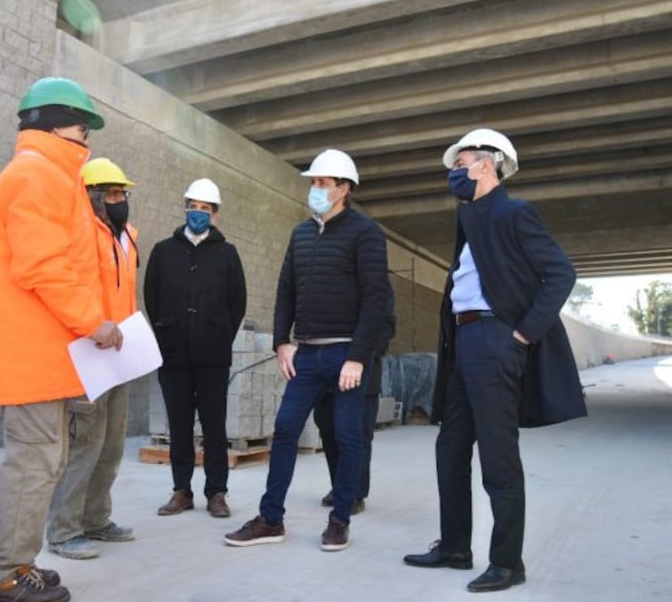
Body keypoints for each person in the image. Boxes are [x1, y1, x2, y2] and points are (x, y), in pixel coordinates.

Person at [403, 128, 586, 593]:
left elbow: (561, 273)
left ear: (487, 164)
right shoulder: (469, 219)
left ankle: (507, 562)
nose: (453, 174)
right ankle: (455, 546)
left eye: (460, 163)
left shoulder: (513, 212)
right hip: (463, 342)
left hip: (495, 338)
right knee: (450, 448)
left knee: (498, 456)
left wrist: (523, 332)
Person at [0, 77, 122, 602]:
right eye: (82, 127)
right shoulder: (37, 175)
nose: (87, 139)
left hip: (44, 352)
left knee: (41, 461)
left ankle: (4, 558)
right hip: (30, 351)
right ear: (53, 122)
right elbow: (45, 266)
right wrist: (92, 322)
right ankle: (2, 577)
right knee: (35, 463)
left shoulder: (52, 176)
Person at [224, 148, 389, 552]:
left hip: (345, 353)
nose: (314, 189)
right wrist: (282, 341)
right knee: (285, 430)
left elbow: (376, 299)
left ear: (343, 189)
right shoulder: (300, 233)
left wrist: (358, 356)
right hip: (308, 354)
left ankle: (340, 519)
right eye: (312, 182)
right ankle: (271, 519)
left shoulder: (365, 233)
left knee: (349, 436)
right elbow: (286, 290)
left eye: (322, 183)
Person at [46, 158, 139, 560]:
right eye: (113, 194)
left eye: (123, 194)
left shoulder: (128, 237)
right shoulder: (78, 235)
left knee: (112, 445)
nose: (120, 202)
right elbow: (68, 291)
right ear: (92, 197)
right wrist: (90, 328)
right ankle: (65, 531)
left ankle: (96, 520)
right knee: (85, 443)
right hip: (86, 354)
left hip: (119, 354)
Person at [145, 178, 247, 518]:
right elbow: (152, 298)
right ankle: (182, 491)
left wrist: (218, 335)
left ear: (215, 215)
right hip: (173, 354)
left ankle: (216, 492)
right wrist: (166, 333)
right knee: (179, 425)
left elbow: (237, 303)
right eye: (193, 206)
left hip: (212, 356)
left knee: (215, 426)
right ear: (185, 207)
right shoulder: (163, 251)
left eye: (205, 209)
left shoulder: (227, 254)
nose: (198, 213)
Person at [315, 285, 395, 515]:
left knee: (357, 433)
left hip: (363, 369)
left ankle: (355, 493)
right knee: (328, 428)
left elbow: (387, 324)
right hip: (328, 369)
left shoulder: (377, 282)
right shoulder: (333, 278)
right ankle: (339, 487)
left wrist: (366, 356)